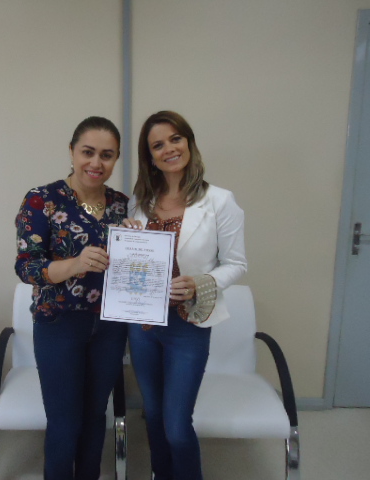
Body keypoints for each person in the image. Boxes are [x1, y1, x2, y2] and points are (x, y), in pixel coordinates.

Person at [123, 110, 247, 480]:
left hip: (187, 325)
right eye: (157, 145)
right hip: (143, 325)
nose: (169, 149)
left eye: (175, 139)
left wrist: (200, 282)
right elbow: (133, 263)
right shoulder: (139, 201)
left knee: (177, 426)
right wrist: (127, 238)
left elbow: (236, 264)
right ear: (150, 156)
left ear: (189, 142)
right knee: (153, 415)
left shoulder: (219, 201)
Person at [14, 116, 129, 480]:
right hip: (59, 322)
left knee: (96, 417)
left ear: (116, 159)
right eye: (88, 152)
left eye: (107, 155)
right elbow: (26, 267)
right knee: (65, 421)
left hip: (110, 325)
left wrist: (139, 237)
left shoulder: (122, 206)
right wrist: (74, 264)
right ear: (72, 151)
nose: (96, 163)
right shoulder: (42, 200)